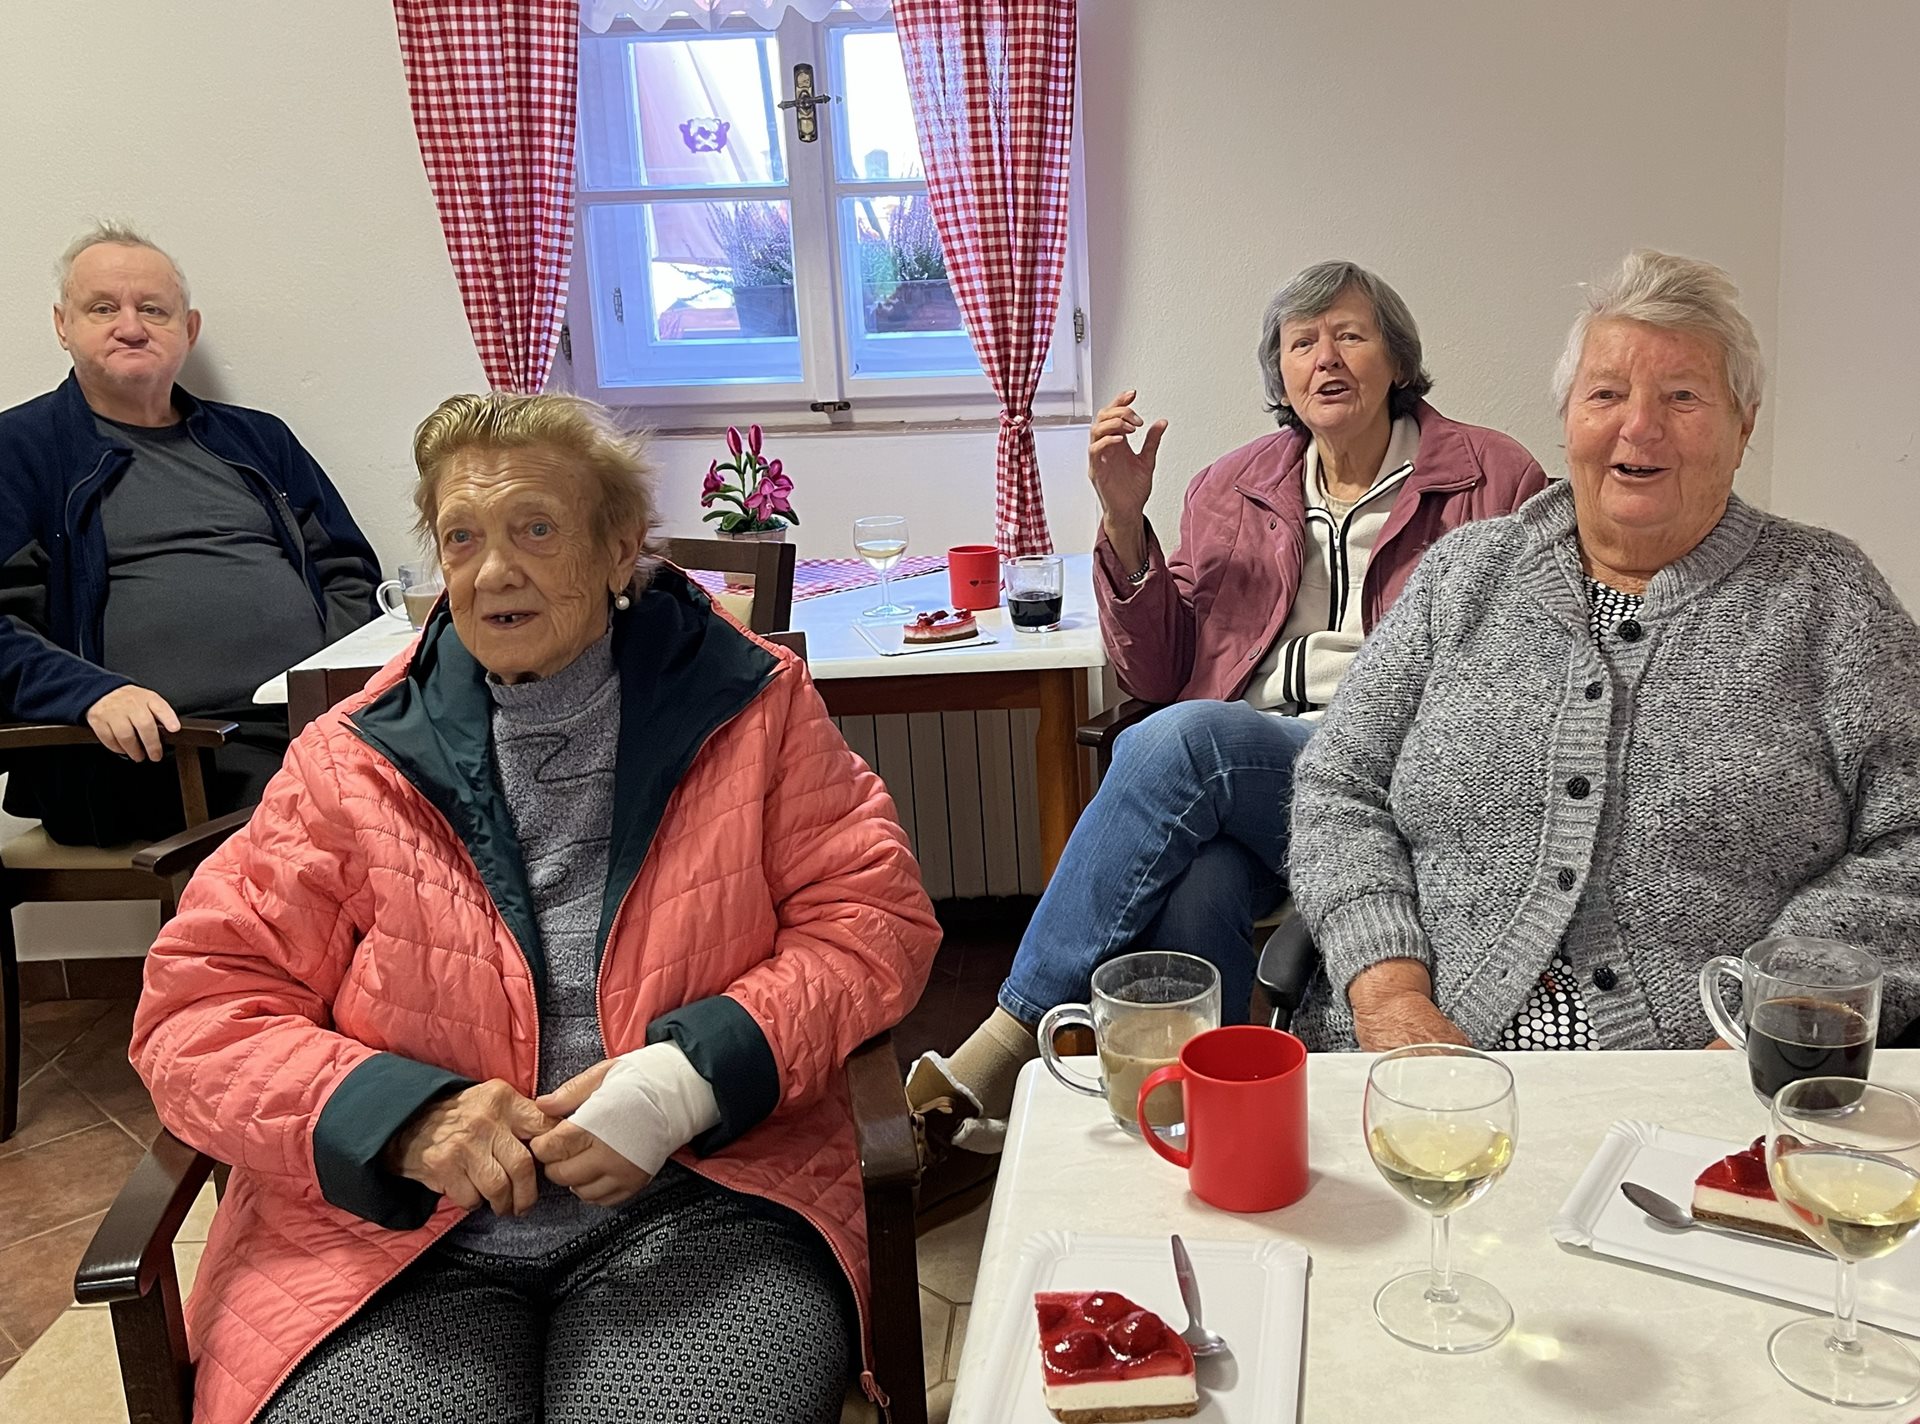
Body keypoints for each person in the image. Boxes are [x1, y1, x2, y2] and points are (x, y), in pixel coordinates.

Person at [130, 392, 940, 1424]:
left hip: (705, 1201)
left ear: (619, 549)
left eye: (537, 529)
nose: (494, 571)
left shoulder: (753, 706)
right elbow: (198, 1011)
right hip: (389, 1240)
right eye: (462, 537)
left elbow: (872, 921)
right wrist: (402, 1119)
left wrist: (684, 1081)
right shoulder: (349, 759)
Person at [907, 260, 1547, 1175]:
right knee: (1198, 881)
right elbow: (1159, 668)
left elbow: (1527, 671)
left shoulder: (1493, 477)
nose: (1326, 358)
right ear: (1280, 374)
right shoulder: (1231, 486)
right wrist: (1124, 521)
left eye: (1351, 335)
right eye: (1302, 342)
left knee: (1182, 740)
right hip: (1256, 778)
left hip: (1389, 776)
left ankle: (1007, 1044)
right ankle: (1205, 1131)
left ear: (1399, 360)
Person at [1287, 249, 1920, 1053]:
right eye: (1607, 394)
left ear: (1743, 426)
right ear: (1569, 420)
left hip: (1713, 1080)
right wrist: (1389, 991)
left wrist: (1775, 1012)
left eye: (1682, 396)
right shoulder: (1464, 574)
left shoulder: (1826, 595)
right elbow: (1340, 787)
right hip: (1414, 1065)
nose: (1639, 427)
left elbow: (1909, 838)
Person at [0, 223, 378, 845]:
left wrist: (332, 692)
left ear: (189, 329)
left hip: (312, 726)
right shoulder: (20, 452)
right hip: (157, 753)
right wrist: (91, 694)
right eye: (103, 308)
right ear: (62, 325)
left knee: (464, 772)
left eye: (153, 309)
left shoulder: (258, 439)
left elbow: (349, 573)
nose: (131, 327)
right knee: (336, 820)